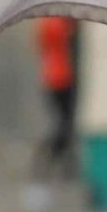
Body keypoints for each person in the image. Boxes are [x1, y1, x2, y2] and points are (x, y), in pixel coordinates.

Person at [35, 16, 78, 181]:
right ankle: (53, 157)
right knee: (64, 124)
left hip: (52, 77)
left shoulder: (47, 23)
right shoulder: (56, 23)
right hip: (61, 79)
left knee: (63, 123)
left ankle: (58, 159)